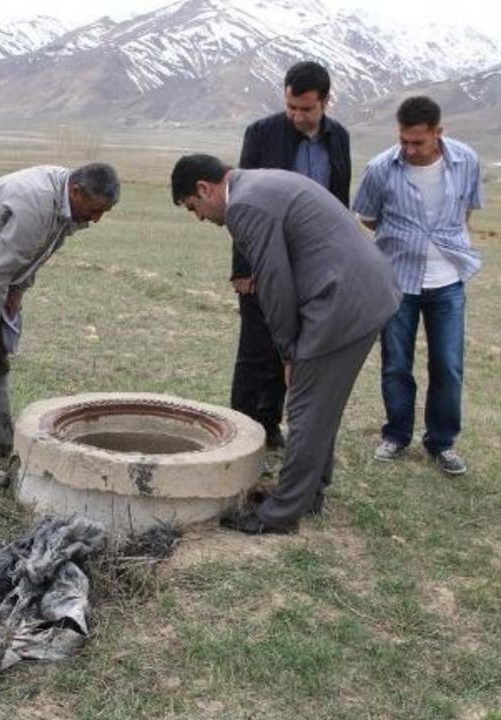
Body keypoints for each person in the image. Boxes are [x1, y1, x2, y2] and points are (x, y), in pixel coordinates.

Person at [171, 154, 400, 533]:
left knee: (306, 409)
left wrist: (289, 351)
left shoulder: (243, 205)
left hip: (341, 300)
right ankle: (309, 493)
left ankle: (280, 513)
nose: (200, 218)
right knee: (321, 405)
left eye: (195, 208)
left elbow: (273, 283)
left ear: (204, 188)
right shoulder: (260, 181)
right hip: (364, 292)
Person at [0, 163, 120, 489]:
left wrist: (18, 290)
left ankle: (0, 439)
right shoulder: (36, 204)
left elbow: (39, 251)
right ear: (76, 192)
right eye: (96, 209)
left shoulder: (65, 201)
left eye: (104, 212)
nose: (97, 219)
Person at [352, 96, 483, 475]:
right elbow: (369, 217)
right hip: (397, 282)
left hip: (448, 282)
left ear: (438, 133)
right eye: (403, 141)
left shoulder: (466, 161)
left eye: (418, 142)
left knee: (448, 364)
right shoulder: (380, 168)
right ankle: (396, 435)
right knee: (395, 364)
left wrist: (441, 241)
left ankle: (441, 443)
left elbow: (467, 208)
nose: (409, 149)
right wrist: (405, 241)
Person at [230, 61, 352, 450]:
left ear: (325, 103)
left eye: (307, 109)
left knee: (296, 347)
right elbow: (241, 204)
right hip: (265, 256)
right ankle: (241, 433)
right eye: (291, 107)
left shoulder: (340, 139)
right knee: (255, 349)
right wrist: (243, 267)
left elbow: (339, 205)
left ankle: (270, 424)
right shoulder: (262, 134)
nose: (298, 116)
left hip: (313, 264)